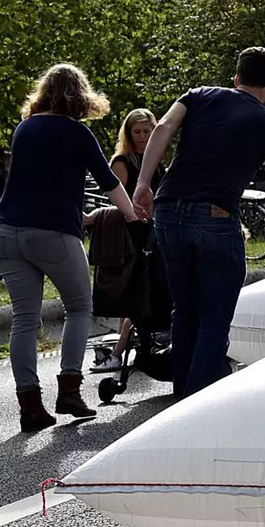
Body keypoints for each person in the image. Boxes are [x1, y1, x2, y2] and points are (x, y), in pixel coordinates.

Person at [133, 47, 265, 399]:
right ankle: (195, 403)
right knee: (214, 315)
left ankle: (183, 392)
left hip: (167, 212)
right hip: (215, 216)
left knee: (184, 310)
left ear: (236, 78)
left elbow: (164, 126)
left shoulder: (198, 95)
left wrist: (143, 183)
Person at [0, 64, 139, 432]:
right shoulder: (76, 133)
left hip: (8, 235)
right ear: (80, 96)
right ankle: (69, 392)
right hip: (53, 234)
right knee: (78, 307)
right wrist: (132, 217)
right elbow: (110, 182)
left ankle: (30, 406)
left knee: (24, 320)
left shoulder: (23, 128)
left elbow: (39, 181)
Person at [91, 108, 165, 373]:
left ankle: (123, 350)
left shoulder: (157, 161)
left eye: (147, 131)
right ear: (129, 133)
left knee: (144, 296)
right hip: (131, 235)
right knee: (136, 294)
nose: (143, 137)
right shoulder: (122, 161)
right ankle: (118, 352)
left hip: (155, 232)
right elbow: (115, 198)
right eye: (137, 132)